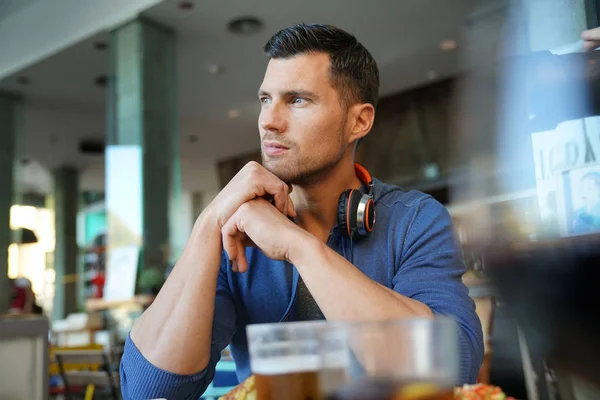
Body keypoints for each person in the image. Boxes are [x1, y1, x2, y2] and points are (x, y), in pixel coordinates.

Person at [119, 24, 483, 398]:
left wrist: (298, 246)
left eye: (297, 100)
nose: (269, 121)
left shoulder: (415, 221)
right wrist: (208, 223)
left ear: (359, 121)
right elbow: (149, 391)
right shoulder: (235, 235)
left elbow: (454, 369)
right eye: (265, 99)